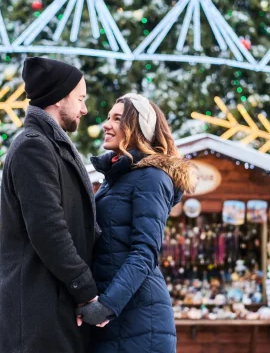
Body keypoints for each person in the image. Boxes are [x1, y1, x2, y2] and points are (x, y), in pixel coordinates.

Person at [0, 57, 101, 353]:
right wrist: (85, 290)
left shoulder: (49, 144)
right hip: (36, 316)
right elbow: (48, 228)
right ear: (59, 98)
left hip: (50, 309)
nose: (84, 109)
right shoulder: (33, 146)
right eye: (80, 99)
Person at [77, 93, 197, 352]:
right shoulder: (118, 177)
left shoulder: (151, 177)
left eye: (117, 119)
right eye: (108, 118)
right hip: (116, 314)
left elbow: (145, 252)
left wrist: (107, 305)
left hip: (139, 320)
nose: (106, 125)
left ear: (138, 128)